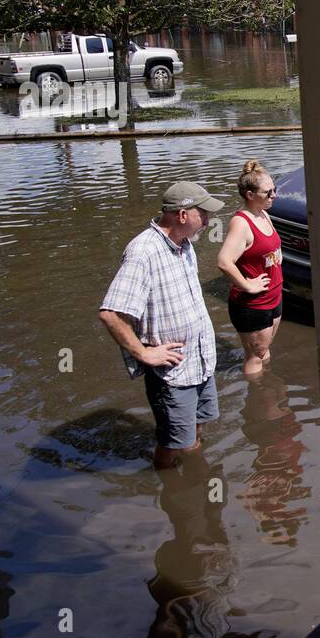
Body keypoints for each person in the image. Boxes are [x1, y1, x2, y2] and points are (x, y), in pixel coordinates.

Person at [99, 181, 224, 470]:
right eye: (202, 213)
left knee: (196, 430)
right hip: (173, 374)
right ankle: (174, 497)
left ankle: (196, 480)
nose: (207, 220)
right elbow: (110, 313)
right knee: (171, 443)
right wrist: (143, 353)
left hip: (201, 363)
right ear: (182, 215)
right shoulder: (143, 252)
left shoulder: (185, 245)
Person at [217, 160, 283, 377]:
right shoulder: (242, 223)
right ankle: (257, 400)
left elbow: (269, 244)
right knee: (255, 356)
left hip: (273, 296)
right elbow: (224, 261)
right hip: (253, 304)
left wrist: (277, 253)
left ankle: (269, 391)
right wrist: (247, 285)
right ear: (249, 195)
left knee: (264, 352)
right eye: (267, 192)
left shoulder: (263, 212)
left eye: (274, 190)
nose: (273, 195)